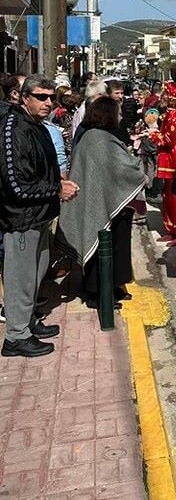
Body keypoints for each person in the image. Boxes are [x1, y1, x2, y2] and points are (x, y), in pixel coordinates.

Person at [0, 75, 80, 357]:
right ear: (24, 98)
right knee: (20, 278)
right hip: (22, 218)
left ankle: (27, 322)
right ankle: (16, 336)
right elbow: (16, 184)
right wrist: (57, 189)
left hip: (40, 215)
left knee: (35, 272)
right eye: (41, 97)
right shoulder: (13, 129)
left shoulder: (34, 126)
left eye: (51, 98)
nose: (48, 103)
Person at [58, 97, 145, 309]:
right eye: (118, 112)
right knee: (102, 249)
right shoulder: (99, 140)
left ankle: (113, 286)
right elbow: (125, 169)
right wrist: (135, 161)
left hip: (113, 203)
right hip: (104, 205)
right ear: (107, 114)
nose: (121, 116)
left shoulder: (93, 136)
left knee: (117, 247)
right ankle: (98, 293)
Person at [149, 82, 176, 244]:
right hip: (169, 158)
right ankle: (173, 228)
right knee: (168, 194)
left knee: (175, 195)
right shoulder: (172, 113)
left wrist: (153, 135)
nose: (163, 97)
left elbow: (168, 139)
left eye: (166, 94)